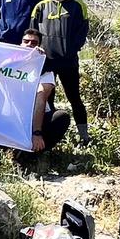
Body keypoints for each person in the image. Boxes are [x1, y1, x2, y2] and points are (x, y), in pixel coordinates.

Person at [30, 0, 91, 145]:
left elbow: (82, 31)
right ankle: (51, 136)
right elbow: (33, 32)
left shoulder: (78, 5)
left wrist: (71, 50)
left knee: (74, 98)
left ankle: (84, 137)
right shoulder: (40, 7)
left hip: (69, 61)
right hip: (46, 63)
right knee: (47, 101)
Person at [15, 28, 71, 166]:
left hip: (35, 118)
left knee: (61, 117)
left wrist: (37, 132)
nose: (29, 45)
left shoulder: (46, 70)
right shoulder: (10, 63)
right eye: (26, 41)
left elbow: (41, 98)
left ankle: (31, 155)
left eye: (34, 43)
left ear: (39, 46)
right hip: (13, 117)